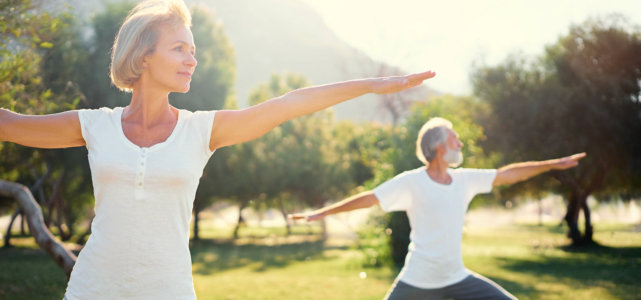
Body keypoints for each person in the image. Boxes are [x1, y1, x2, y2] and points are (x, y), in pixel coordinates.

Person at [0, 0, 435, 299]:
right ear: (144, 55)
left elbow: (289, 104)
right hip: (92, 288)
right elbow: (12, 125)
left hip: (168, 290)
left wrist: (375, 84)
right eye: (179, 48)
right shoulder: (95, 125)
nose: (192, 59)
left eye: (194, 50)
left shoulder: (201, 131)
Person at [289, 117, 586, 300]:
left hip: (457, 277)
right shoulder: (412, 182)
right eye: (454, 137)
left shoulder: (465, 179)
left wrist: (551, 165)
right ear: (441, 147)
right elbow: (370, 198)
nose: (460, 142)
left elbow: (508, 174)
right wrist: (321, 213)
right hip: (418, 280)